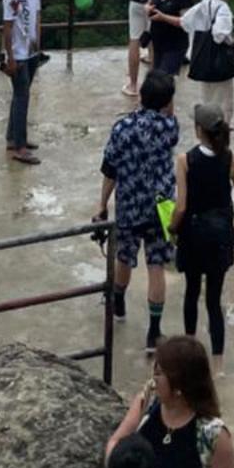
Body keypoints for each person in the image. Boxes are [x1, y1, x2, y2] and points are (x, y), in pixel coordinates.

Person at [95, 70, 181, 346]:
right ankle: (154, 331)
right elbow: (168, 123)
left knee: (124, 256)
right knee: (156, 266)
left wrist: (102, 205)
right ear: (167, 102)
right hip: (160, 207)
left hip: (129, 204)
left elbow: (110, 170)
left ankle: (118, 299)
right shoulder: (170, 128)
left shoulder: (121, 129)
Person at [106, 335, 234, 468]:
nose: (153, 380)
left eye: (159, 374)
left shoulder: (213, 435)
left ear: (179, 387)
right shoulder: (146, 404)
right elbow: (115, 443)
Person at [173, 102, 234, 359]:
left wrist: (172, 229)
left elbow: (181, 206)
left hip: (193, 236)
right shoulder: (232, 159)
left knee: (191, 293)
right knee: (214, 302)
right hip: (220, 237)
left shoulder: (185, 160)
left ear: (198, 130)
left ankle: (190, 350)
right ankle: (218, 361)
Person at [0, 0, 42, 164]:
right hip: (18, 53)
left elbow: (36, 19)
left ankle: (13, 138)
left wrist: (38, 44)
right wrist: (10, 57)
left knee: (21, 95)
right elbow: (7, 29)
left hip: (32, 51)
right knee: (21, 98)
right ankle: (20, 146)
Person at [184, 0, 234, 122]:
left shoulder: (206, 1)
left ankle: (205, 126)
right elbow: (219, 35)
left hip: (203, 57)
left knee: (206, 97)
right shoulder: (223, 9)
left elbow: (186, 20)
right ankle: (220, 131)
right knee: (224, 102)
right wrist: (232, 41)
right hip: (219, 61)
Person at [145, 0, 194, 79]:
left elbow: (185, 22)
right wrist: (147, 9)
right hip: (157, 42)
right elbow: (149, 2)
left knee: (164, 79)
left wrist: (164, 17)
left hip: (175, 45)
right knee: (156, 80)